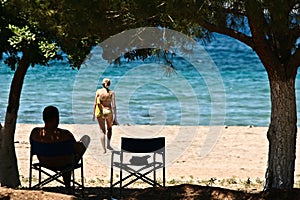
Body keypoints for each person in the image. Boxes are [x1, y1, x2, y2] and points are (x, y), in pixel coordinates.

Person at [30, 106, 90, 191]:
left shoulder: (35, 133)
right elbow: (77, 150)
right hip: (65, 162)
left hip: (44, 161)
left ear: (43, 118)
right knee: (84, 140)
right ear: (57, 118)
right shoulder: (65, 135)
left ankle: (68, 183)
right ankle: (68, 186)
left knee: (67, 155)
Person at [92, 78, 118, 153]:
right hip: (108, 112)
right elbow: (114, 106)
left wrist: (93, 114)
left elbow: (95, 103)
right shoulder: (111, 93)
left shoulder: (98, 91)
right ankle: (108, 145)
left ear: (102, 84)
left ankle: (104, 149)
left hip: (100, 112)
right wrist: (115, 118)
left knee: (102, 131)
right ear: (109, 84)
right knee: (109, 129)